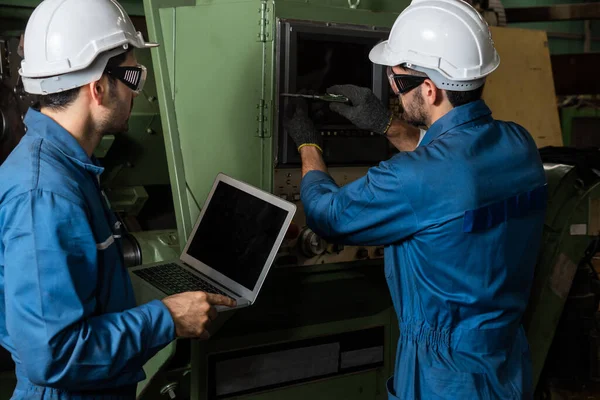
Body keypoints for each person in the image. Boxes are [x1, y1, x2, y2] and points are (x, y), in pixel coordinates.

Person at [284, 0, 547, 398]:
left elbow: (327, 214)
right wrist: (387, 125)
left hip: (443, 377)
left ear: (430, 88)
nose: (392, 87)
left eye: (397, 81)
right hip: (505, 363)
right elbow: (451, 166)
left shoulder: (409, 180)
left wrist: (307, 143)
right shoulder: (520, 145)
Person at [0, 0, 235, 399]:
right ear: (98, 87)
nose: (138, 94)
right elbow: (53, 356)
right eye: (133, 76)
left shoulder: (70, 165)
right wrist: (166, 318)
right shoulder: (44, 194)